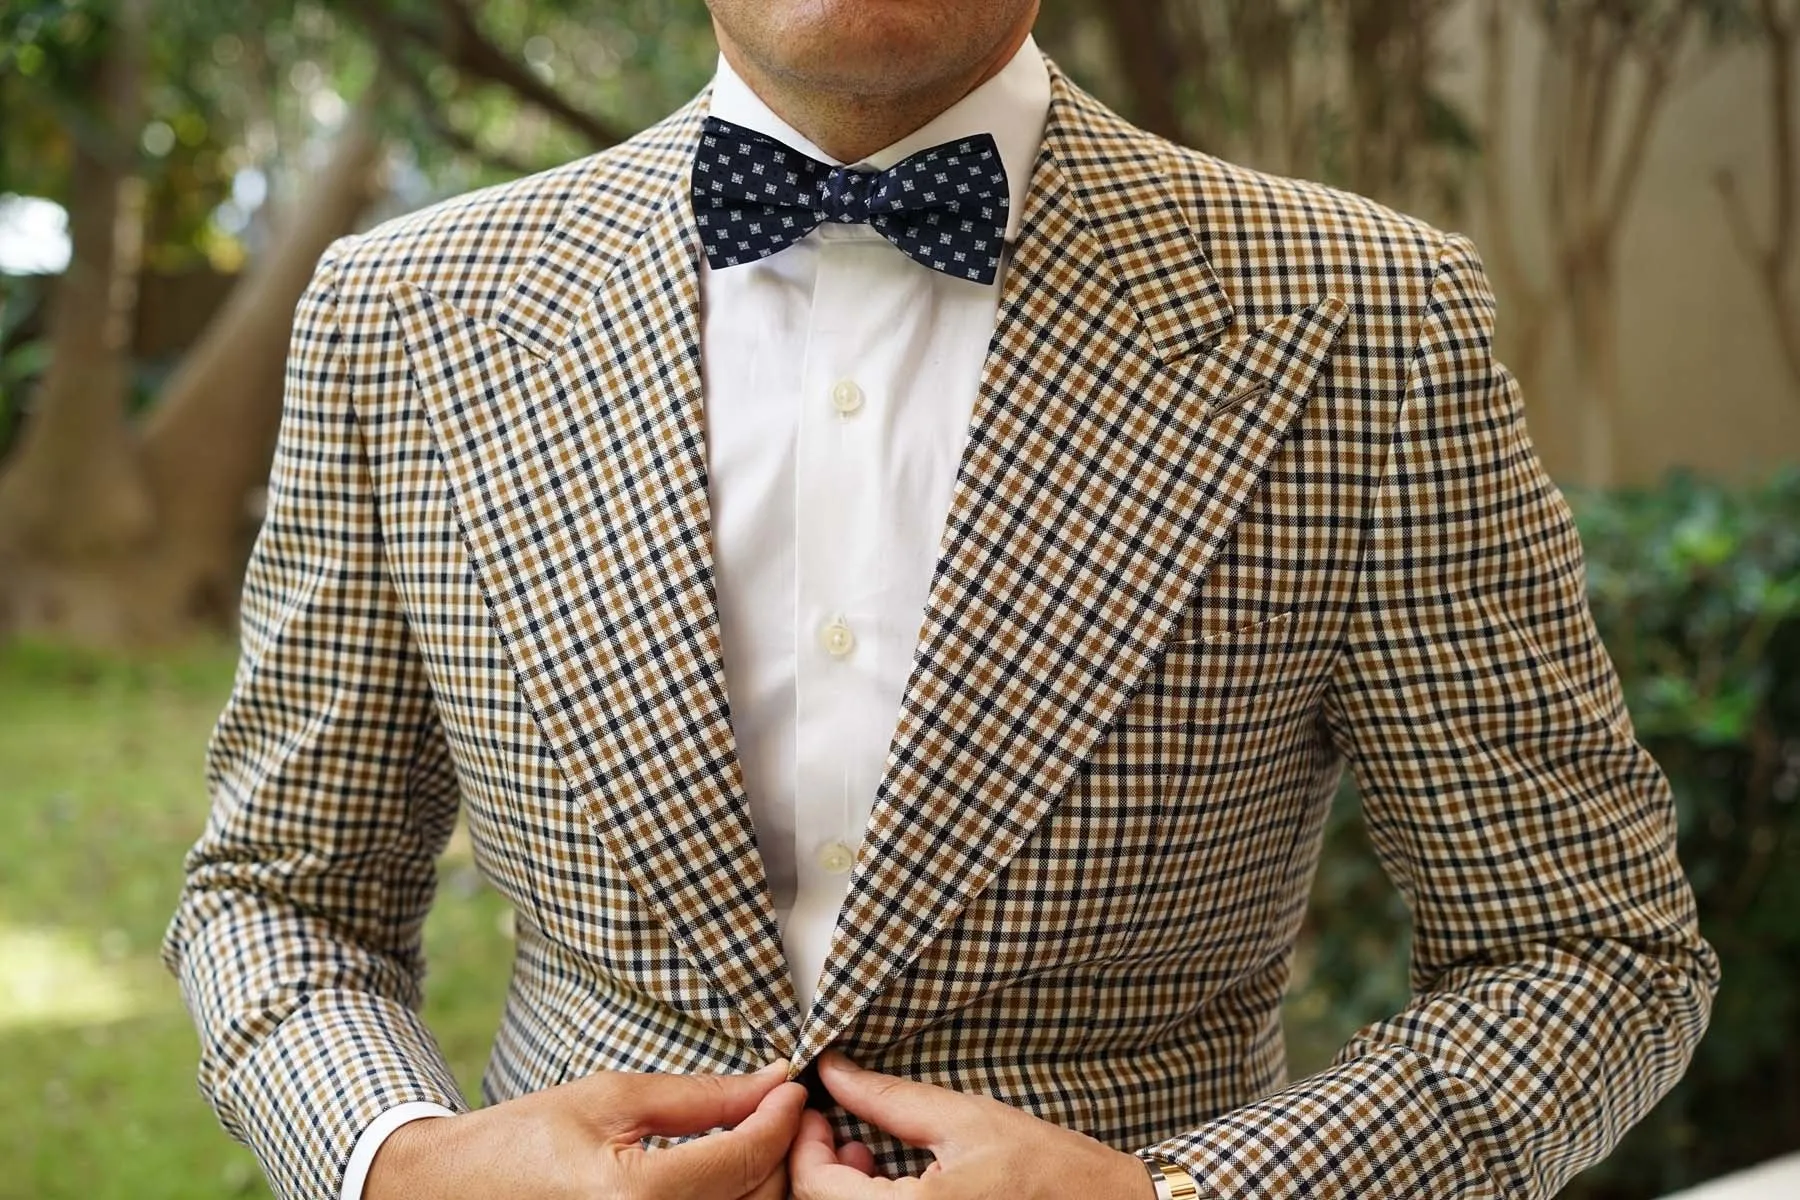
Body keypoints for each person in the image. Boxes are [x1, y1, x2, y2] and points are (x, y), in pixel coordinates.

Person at [163, 2, 1720, 1198]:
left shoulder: (1365, 322)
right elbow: (279, 898)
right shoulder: (405, 314)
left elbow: (1592, 953)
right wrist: (405, 1157)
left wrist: (1185, 1197)